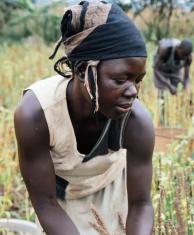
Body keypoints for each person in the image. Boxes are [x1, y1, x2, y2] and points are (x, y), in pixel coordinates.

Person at [13, 1, 154, 235]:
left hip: (110, 189)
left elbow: (140, 204)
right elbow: (46, 203)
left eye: (138, 80)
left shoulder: (136, 122)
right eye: (120, 80)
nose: (133, 92)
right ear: (81, 71)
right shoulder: (36, 115)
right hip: (59, 198)